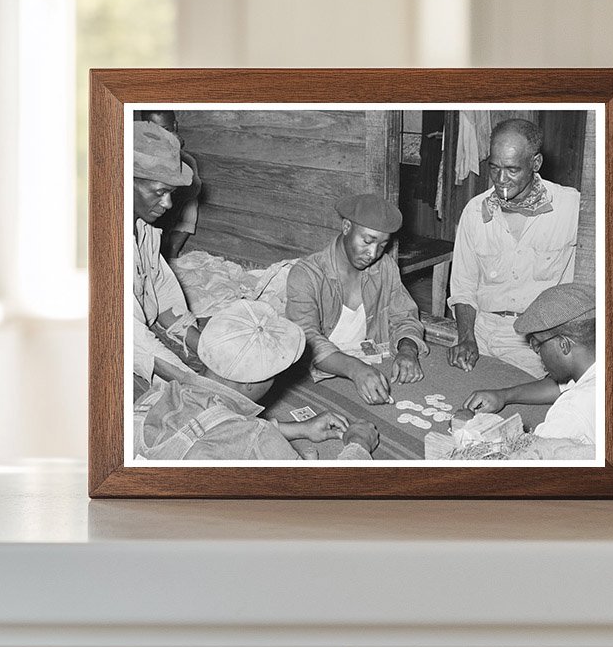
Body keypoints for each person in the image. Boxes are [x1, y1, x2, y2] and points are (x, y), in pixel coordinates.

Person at [133, 299, 380, 460]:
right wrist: (358, 444)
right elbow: (325, 503)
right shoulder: (258, 437)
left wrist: (299, 429)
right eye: (274, 375)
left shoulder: (155, 395)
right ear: (251, 382)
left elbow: (211, 432)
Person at [447, 118, 580, 377]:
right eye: (494, 168)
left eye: (512, 170)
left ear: (535, 163)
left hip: (535, 342)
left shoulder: (572, 208)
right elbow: (463, 288)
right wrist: (466, 338)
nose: (501, 180)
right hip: (480, 332)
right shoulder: (475, 211)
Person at [286, 193, 427, 406]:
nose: (373, 253)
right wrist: (356, 369)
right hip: (318, 377)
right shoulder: (306, 275)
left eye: (382, 245)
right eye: (367, 241)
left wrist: (407, 350)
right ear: (346, 227)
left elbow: (405, 317)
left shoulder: (385, 268)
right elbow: (306, 338)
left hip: (371, 369)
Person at [463, 283, 597, 444]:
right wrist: (503, 396)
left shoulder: (572, 411)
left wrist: (471, 427)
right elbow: (560, 387)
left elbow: (529, 453)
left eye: (538, 344)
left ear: (564, 345)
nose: (536, 351)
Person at [131, 120, 202, 383]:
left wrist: (206, 348)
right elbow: (132, 338)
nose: (169, 203)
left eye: (171, 193)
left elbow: (162, 292)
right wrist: (194, 382)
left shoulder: (145, 228)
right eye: (161, 192)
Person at [142, 109, 202, 260]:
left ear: (174, 126)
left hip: (168, 204)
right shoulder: (139, 149)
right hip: (144, 207)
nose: (161, 136)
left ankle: (171, 252)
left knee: (190, 204)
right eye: (155, 130)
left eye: (166, 130)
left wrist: (174, 150)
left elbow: (194, 189)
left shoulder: (185, 158)